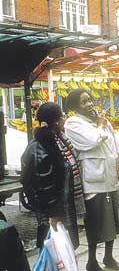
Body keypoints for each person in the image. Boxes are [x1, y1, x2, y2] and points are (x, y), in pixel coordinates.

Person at [64, 89, 119, 271]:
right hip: (94, 180)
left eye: (89, 100)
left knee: (113, 220)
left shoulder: (99, 120)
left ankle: (108, 257)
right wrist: (100, 125)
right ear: (75, 106)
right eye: (84, 102)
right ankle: (91, 261)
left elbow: (114, 143)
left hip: (111, 177)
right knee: (95, 222)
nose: (89, 104)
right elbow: (93, 140)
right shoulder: (73, 123)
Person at [20, 102, 85, 251]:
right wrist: (52, 213)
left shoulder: (60, 140)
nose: (65, 119)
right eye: (63, 116)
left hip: (65, 206)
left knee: (66, 249)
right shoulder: (39, 147)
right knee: (53, 251)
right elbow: (42, 183)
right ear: (56, 120)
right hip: (52, 212)